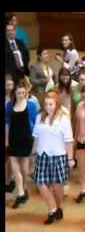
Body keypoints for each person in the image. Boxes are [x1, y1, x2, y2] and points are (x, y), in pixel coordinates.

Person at [31, 91, 74, 225]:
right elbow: (36, 138)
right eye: (46, 104)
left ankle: (59, 206)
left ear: (56, 104)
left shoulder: (63, 119)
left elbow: (69, 141)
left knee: (57, 186)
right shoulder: (39, 118)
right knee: (40, 183)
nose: (48, 107)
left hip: (58, 155)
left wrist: (70, 158)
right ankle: (52, 209)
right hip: (42, 155)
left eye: (51, 104)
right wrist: (33, 153)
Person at [5, 80, 38, 208]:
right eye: (18, 93)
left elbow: (35, 124)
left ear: (26, 93)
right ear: (15, 93)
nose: (21, 95)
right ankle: (20, 192)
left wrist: (35, 141)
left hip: (26, 138)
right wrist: (7, 140)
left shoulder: (31, 105)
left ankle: (23, 190)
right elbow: (7, 124)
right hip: (13, 138)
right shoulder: (9, 105)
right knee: (14, 165)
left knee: (24, 168)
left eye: (23, 93)